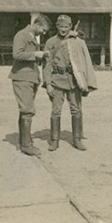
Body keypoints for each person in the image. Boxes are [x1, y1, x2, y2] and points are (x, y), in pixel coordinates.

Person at [43, 15, 98, 152]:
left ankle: (77, 139)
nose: (63, 29)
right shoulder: (50, 42)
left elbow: (85, 61)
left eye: (66, 27)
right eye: (61, 26)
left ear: (70, 26)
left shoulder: (78, 42)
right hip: (57, 80)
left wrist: (85, 81)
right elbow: (46, 65)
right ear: (57, 26)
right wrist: (48, 83)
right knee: (56, 111)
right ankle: (54, 140)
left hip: (74, 81)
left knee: (76, 110)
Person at [9, 14, 51, 157]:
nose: (43, 33)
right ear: (37, 24)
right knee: (27, 110)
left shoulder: (31, 37)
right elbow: (17, 54)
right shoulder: (21, 35)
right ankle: (26, 145)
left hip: (29, 77)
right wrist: (36, 54)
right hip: (22, 77)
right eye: (43, 30)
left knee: (25, 110)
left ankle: (24, 141)